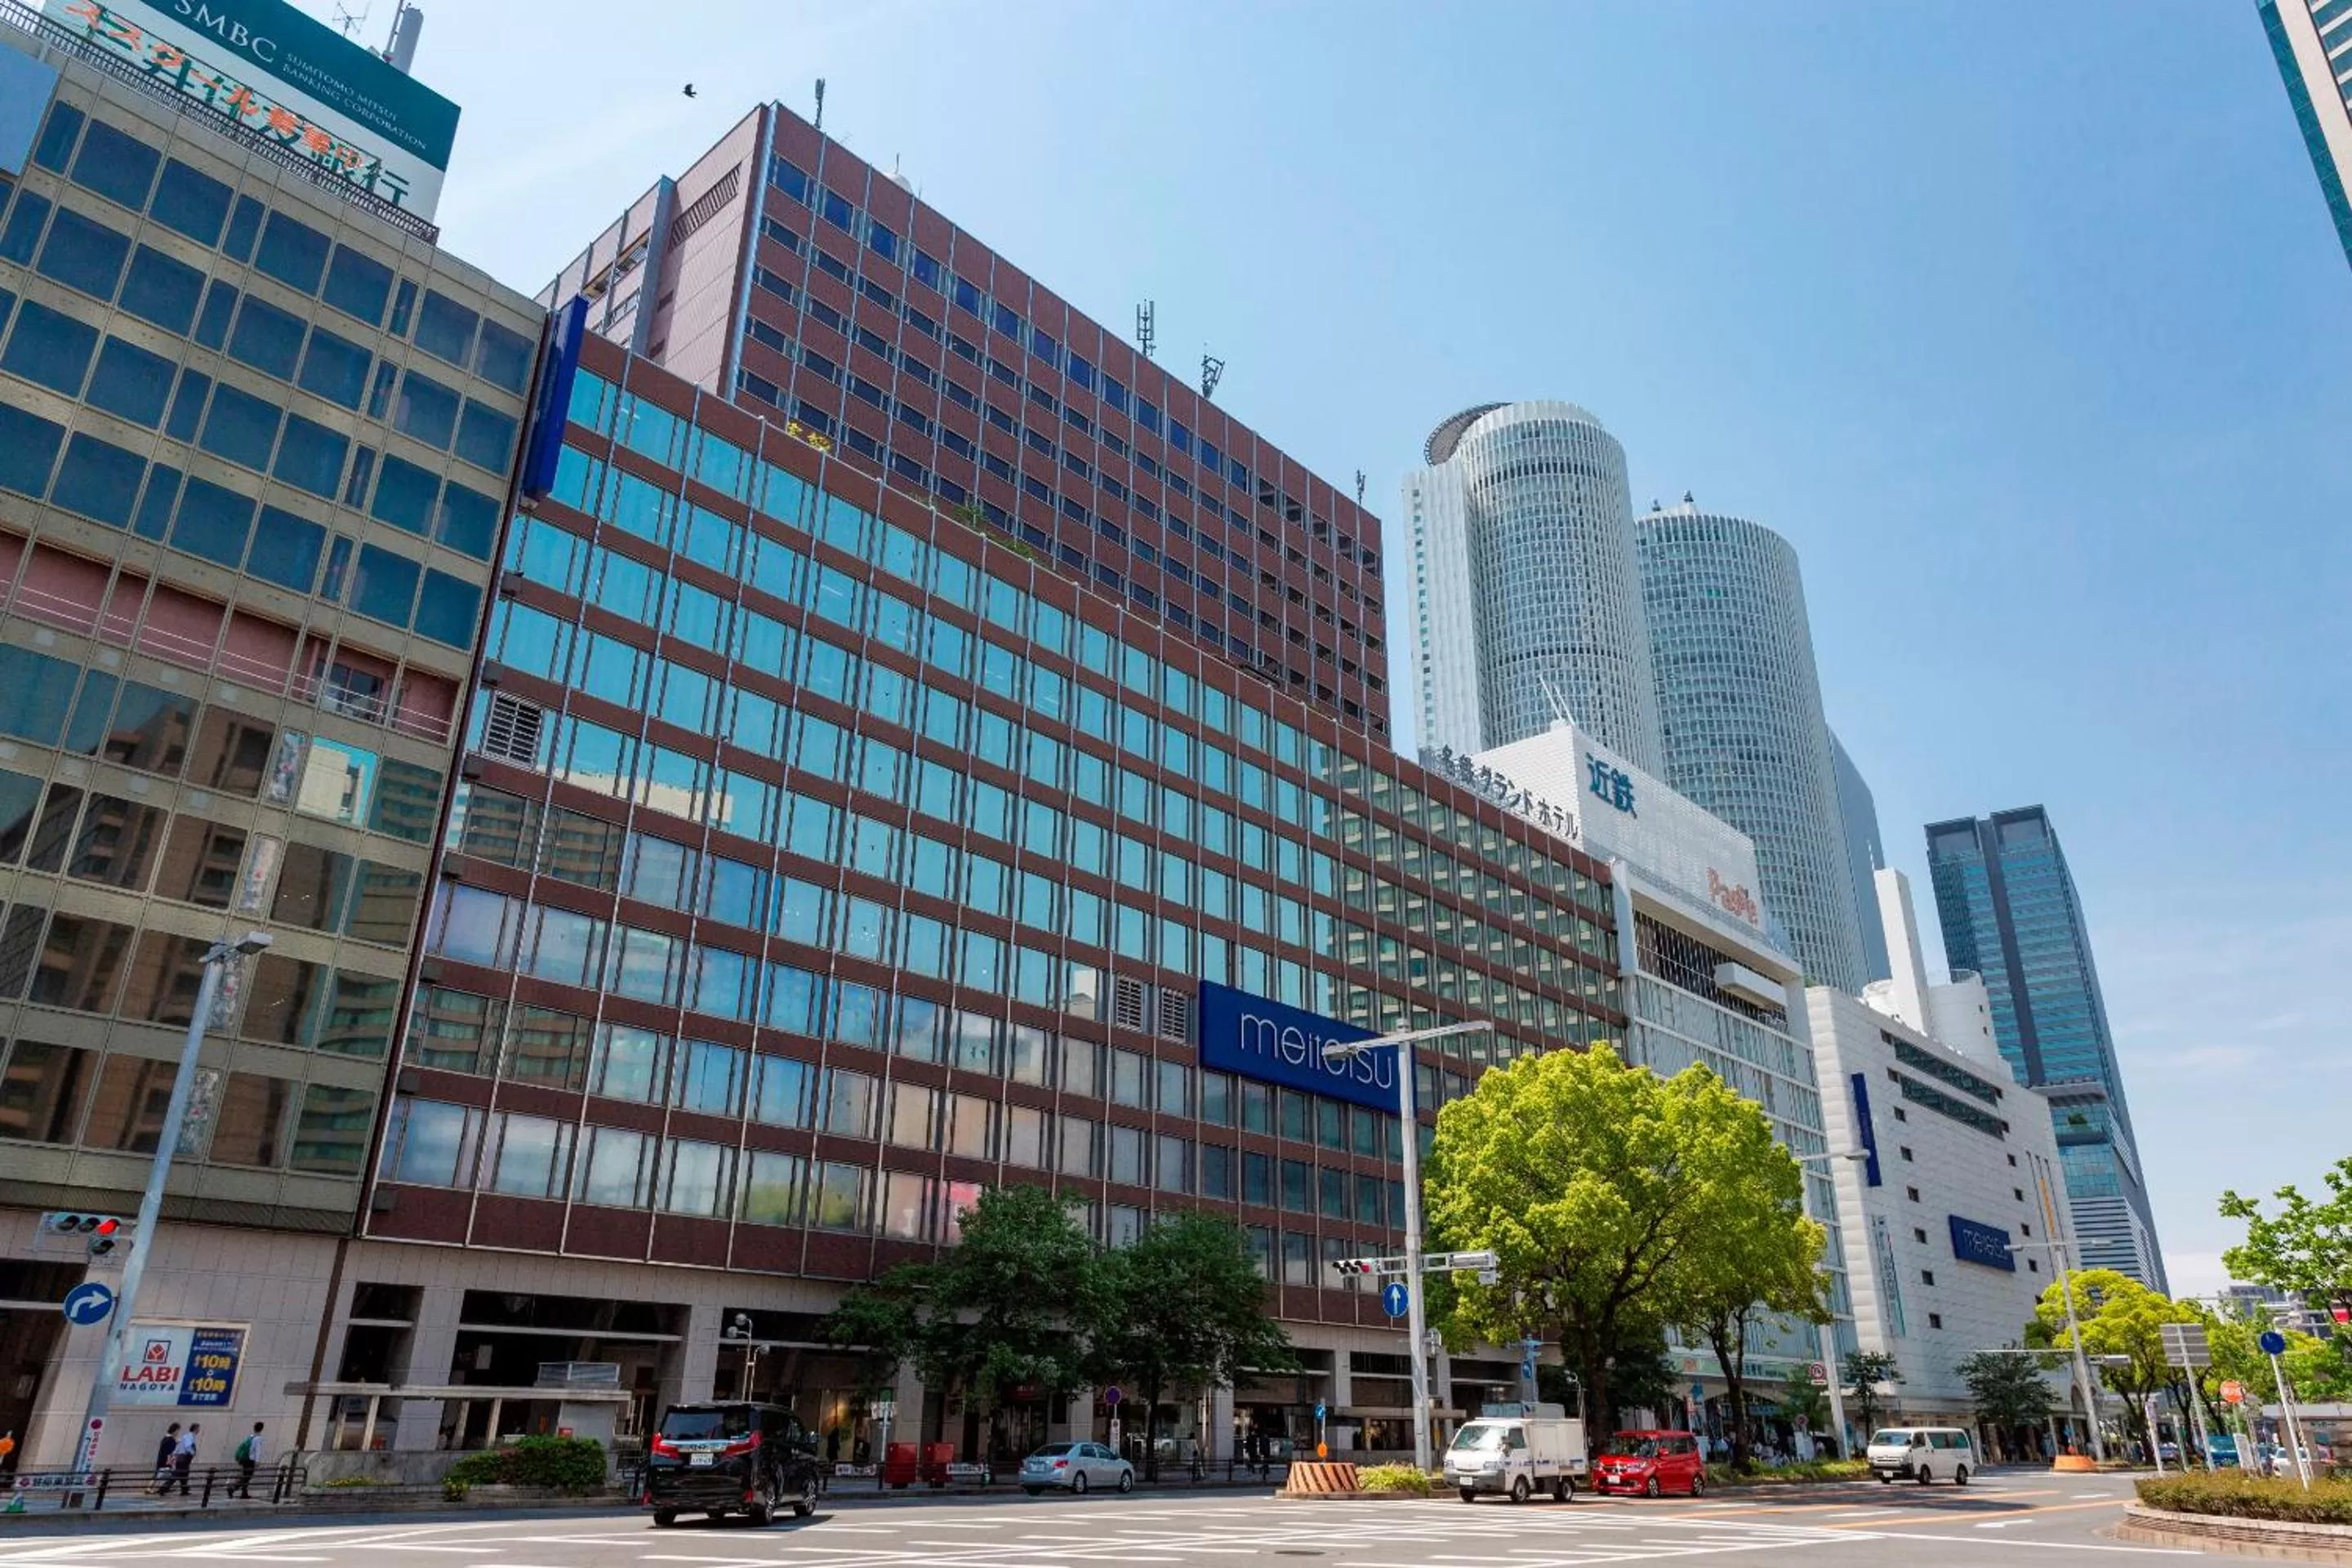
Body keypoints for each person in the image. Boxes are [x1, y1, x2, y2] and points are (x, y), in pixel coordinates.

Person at [230, 1423, 265, 1498]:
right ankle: (233, 1488)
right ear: (261, 1429)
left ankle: (244, 1493)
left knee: (245, 1476)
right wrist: (257, 1461)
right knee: (247, 1477)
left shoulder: (251, 1437)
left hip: (245, 1459)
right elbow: (257, 1451)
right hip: (250, 1460)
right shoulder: (258, 1439)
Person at [169, 1423, 198, 1496]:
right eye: (198, 1428)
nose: (199, 1430)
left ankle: (184, 1491)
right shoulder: (190, 1436)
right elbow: (188, 1446)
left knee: (184, 1474)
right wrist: (192, 1453)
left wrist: (175, 1453)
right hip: (184, 1458)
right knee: (177, 1475)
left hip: (181, 1458)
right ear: (195, 1429)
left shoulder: (187, 1436)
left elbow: (179, 1446)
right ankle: (163, 1489)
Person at [152, 1424, 180, 1494]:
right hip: (166, 1460)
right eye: (177, 1431)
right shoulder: (170, 1439)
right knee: (173, 1474)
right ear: (174, 1430)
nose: (178, 1433)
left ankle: (161, 1488)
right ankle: (164, 1488)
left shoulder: (166, 1438)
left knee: (158, 1474)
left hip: (162, 1459)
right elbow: (171, 1451)